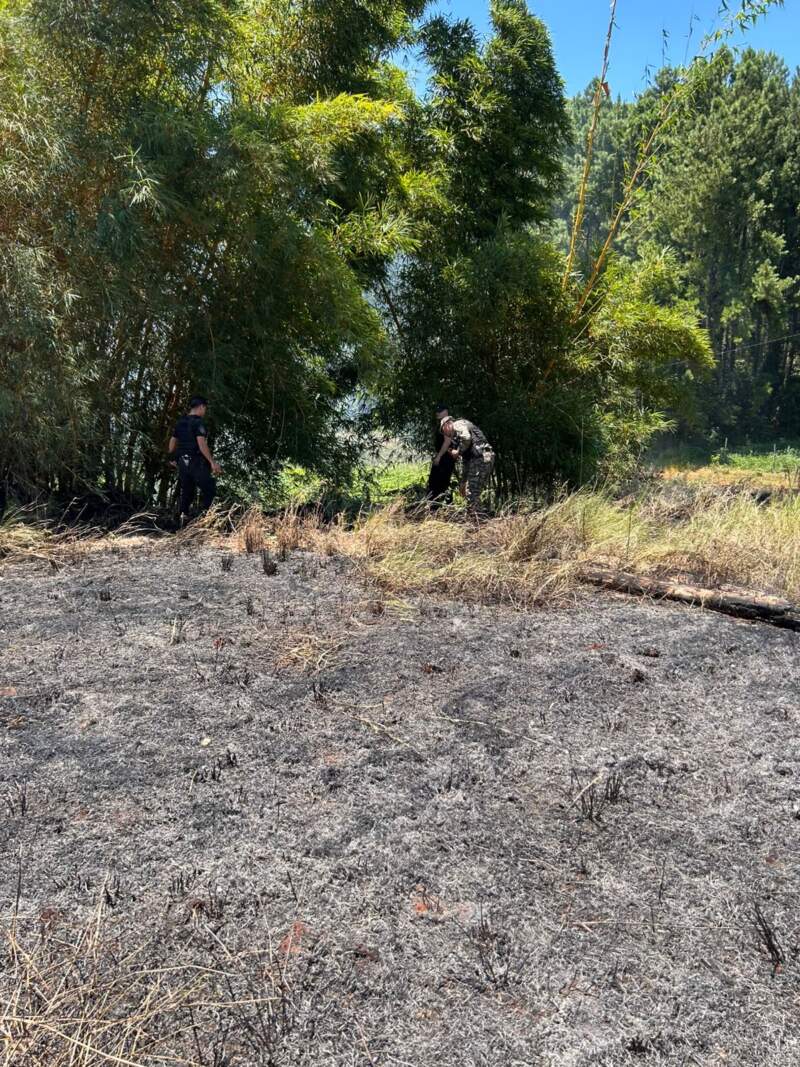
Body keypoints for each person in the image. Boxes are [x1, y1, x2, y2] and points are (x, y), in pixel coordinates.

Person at [168, 396, 221, 521]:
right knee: (209, 489)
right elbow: (201, 444)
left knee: (187, 491)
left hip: (182, 462)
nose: (205, 411)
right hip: (196, 462)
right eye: (205, 408)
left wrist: (172, 457)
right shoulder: (198, 422)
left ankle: (182, 520)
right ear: (201, 406)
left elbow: (172, 441)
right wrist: (212, 462)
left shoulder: (180, 422)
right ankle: (208, 520)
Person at [440, 415, 495, 517]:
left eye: (444, 430)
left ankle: (479, 521)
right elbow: (467, 461)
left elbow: (467, 438)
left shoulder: (457, 424)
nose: (446, 434)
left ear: (447, 424)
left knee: (472, 492)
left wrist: (458, 451)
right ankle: (480, 517)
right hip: (481, 457)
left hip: (481, 457)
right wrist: (463, 482)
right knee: (472, 492)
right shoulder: (458, 438)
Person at [426, 403, 456, 505]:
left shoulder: (447, 424)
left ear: (446, 411)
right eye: (437, 411)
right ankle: (436, 507)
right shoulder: (443, 423)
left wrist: (438, 457)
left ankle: (438, 507)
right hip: (444, 457)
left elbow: (447, 442)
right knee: (437, 483)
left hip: (445, 458)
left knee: (439, 484)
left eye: (440, 411)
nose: (437, 413)